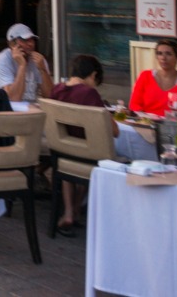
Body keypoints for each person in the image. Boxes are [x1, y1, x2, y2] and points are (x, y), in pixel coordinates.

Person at [48, 54, 118, 236]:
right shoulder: (89, 93)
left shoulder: (57, 90)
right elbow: (114, 131)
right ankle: (77, 209)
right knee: (100, 153)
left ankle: (70, 212)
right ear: (93, 75)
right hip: (89, 156)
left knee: (69, 160)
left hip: (63, 153)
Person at [0, 23, 51, 102]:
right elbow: (13, 99)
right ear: (12, 44)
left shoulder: (39, 60)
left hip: (30, 108)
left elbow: (50, 96)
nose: (30, 44)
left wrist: (43, 70)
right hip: (5, 108)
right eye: (25, 40)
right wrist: (22, 66)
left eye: (32, 40)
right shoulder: (2, 60)